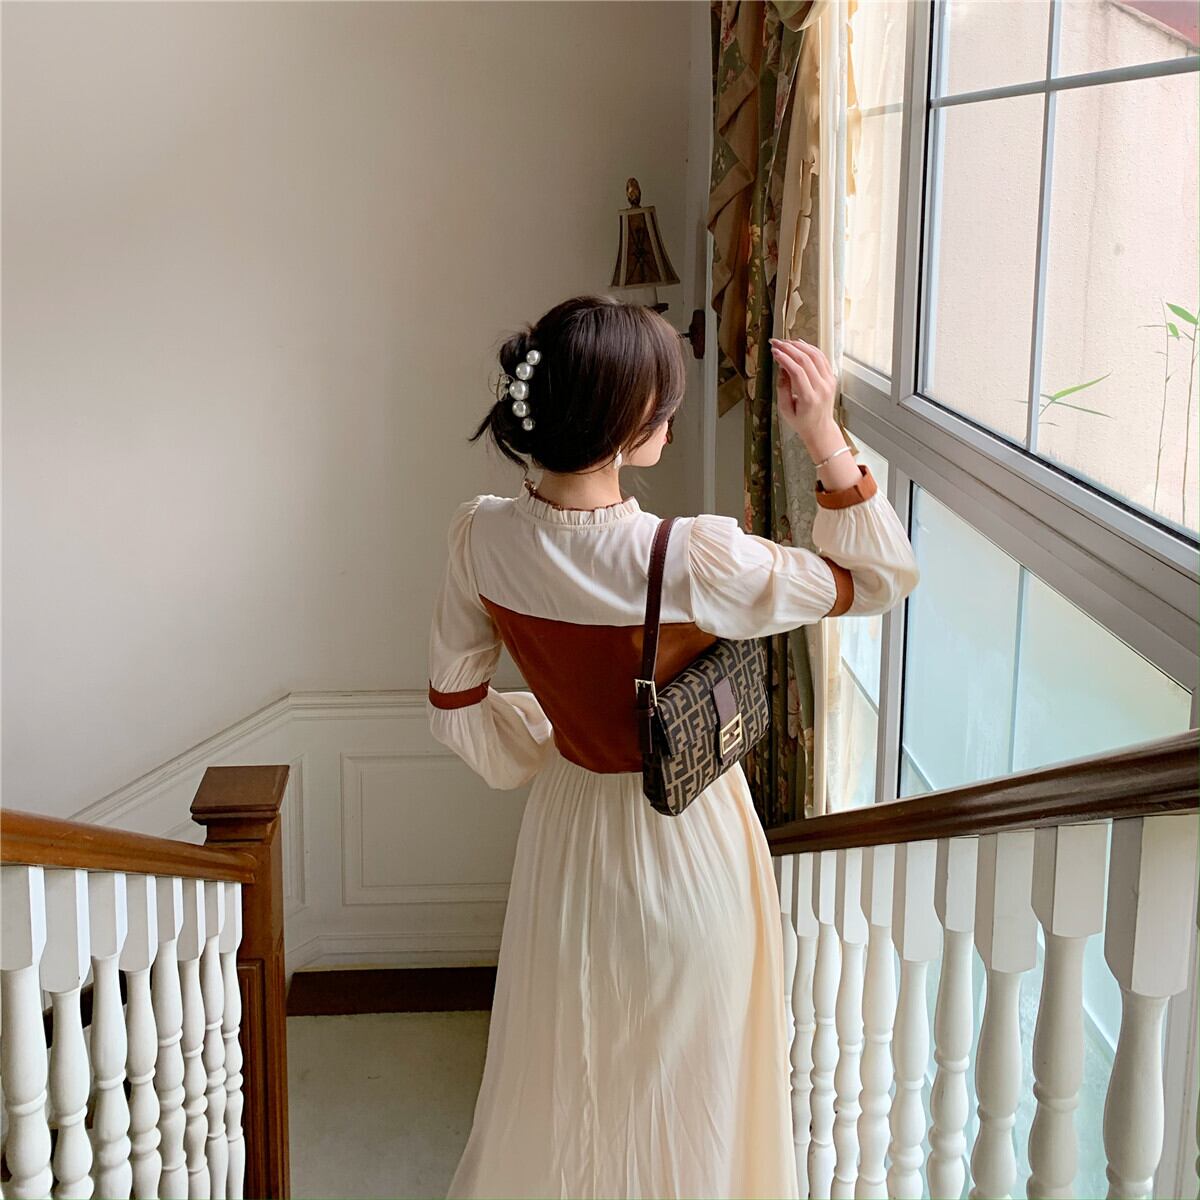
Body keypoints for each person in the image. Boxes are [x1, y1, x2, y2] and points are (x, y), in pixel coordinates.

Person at [426, 294, 919, 1199]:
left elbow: (457, 705)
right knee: (692, 1095)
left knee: (571, 1076)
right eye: (664, 407)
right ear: (620, 430)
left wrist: (560, 737)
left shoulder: (480, 535)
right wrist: (823, 437)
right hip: (688, 838)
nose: (671, 422)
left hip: (568, 839)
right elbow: (880, 579)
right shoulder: (693, 559)